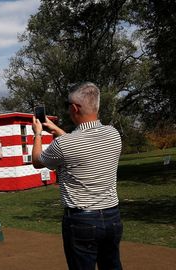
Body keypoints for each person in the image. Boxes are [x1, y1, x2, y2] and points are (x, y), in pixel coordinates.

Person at [31, 82, 123, 269]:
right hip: (112, 216)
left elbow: (37, 160)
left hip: (81, 219)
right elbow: (81, 147)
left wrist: (38, 134)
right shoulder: (113, 134)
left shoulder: (64, 144)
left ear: (74, 108)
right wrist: (57, 130)